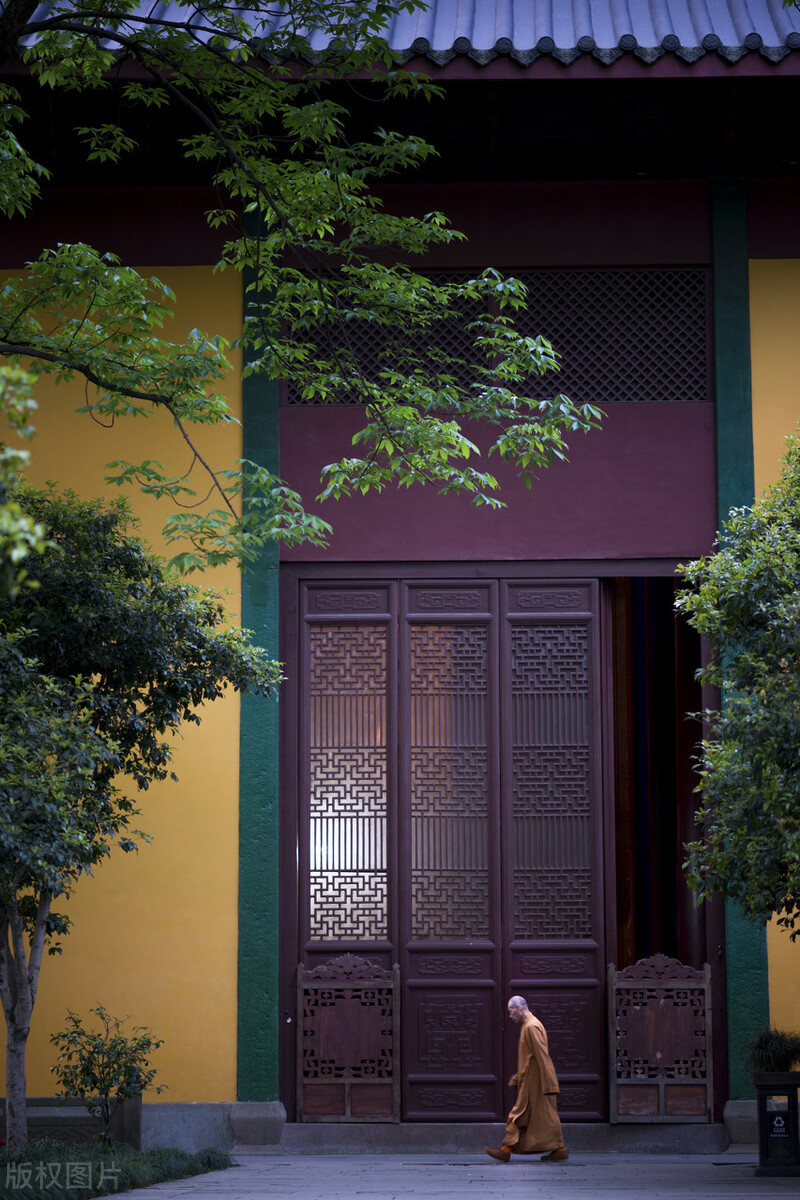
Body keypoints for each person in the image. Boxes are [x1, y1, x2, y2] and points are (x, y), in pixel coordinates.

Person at [484, 995, 568, 1163]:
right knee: (543, 1116)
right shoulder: (529, 1025)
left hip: (535, 1082)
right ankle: (559, 1149)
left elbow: (541, 1055)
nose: (510, 1015)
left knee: (518, 1114)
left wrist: (549, 1082)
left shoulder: (531, 1026)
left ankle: (506, 1150)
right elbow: (530, 1057)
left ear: (520, 1008)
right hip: (532, 1079)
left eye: (511, 1011)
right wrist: (517, 1077)